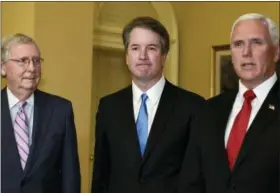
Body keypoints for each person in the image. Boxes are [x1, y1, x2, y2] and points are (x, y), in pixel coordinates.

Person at [91, 16, 205, 193]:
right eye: (135, 48)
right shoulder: (109, 107)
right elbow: (101, 173)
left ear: (164, 56)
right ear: (127, 56)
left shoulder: (192, 107)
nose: (142, 56)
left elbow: (198, 176)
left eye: (151, 48)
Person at [178, 13, 279, 193]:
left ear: (276, 51)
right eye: (238, 44)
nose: (246, 52)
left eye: (256, 42)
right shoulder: (209, 109)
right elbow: (190, 182)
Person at [1, 33, 81, 193]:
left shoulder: (60, 110)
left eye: (36, 61)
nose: (32, 68)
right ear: (3, 67)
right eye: (23, 61)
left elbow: (70, 175)